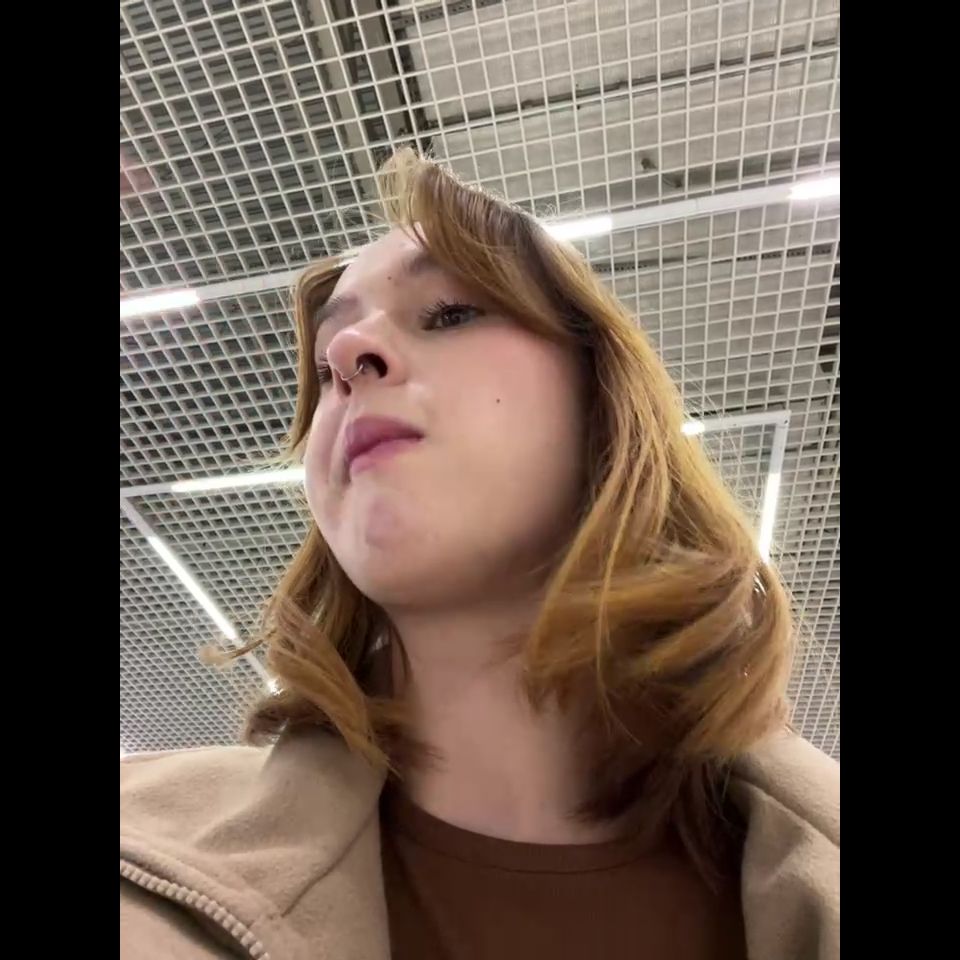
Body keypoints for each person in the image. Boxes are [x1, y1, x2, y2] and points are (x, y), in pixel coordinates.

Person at [120, 149, 839, 960]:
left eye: (450, 312)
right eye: (323, 365)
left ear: (604, 402)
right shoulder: (138, 855)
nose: (350, 356)